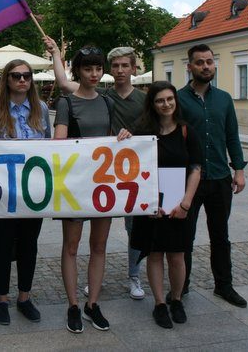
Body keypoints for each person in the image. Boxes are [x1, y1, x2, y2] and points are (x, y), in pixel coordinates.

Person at [44, 36, 147, 301]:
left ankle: (92, 303)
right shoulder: (67, 102)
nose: (94, 74)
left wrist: (122, 138)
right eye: (88, 69)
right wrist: (56, 52)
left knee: (99, 247)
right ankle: (74, 305)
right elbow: (59, 143)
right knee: (71, 247)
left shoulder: (106, 101)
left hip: (102, 184)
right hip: (76, 184)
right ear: (78, 70)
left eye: (98, 69)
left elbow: (110, 139)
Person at [0, 59, 52, 326]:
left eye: (26, 76)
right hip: (4, 192)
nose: (22, 80)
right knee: (2, 244)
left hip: (33, 192)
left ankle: (24, 296)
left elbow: (50, 148)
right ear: (6, 79)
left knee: (29, 244)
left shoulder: (41, 110)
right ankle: (2, 299)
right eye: (16, 75)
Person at [176, 43, 248, 308]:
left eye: (209, 62)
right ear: (190, 67)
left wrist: (238, 170)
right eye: (199, 62)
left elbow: (232, 136)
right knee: (185, 236)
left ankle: (224, 285)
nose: (206, 66)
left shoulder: (224, 99)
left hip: (219, 177)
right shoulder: (178, 99)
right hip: (189, 179)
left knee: (220, 235)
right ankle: (180, 287)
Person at [130, 81, 202, 328]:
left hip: (178, 205)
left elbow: (195, 168)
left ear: (175, 101)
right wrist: (147, 204)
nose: (166, 104)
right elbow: (133, 168)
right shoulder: (142, 133)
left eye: (170, 99)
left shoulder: (186, 131)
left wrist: (185, 204)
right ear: (152, 104)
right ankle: (160, 303)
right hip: (151, 205)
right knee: (154, 254)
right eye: (160, 100)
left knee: (178, 255)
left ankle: (177, 299)